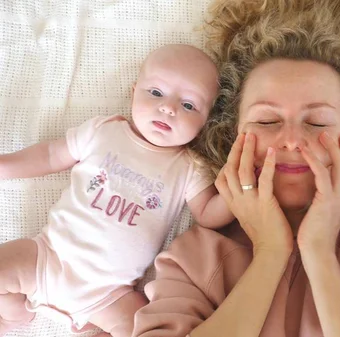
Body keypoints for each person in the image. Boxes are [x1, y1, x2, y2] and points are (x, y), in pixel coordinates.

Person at [132, 1, 340, 337]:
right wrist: (269, 254)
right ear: (228, 134)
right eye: (267, 120)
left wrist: (320, 252)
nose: (291, 140)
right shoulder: (194, 258)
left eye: (317, 121)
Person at [0, 44, 233, 337]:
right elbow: (49, 156)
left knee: (142, 326)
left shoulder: (188, 167)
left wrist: (236, 191)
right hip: (47, 257)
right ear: (133, 92)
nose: (169, 108)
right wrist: (4, 166)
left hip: (111, 294)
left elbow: (209, 214)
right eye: (156, 93)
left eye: (188, 105)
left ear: (204, 123)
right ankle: (11, 316)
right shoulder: (104, 131)